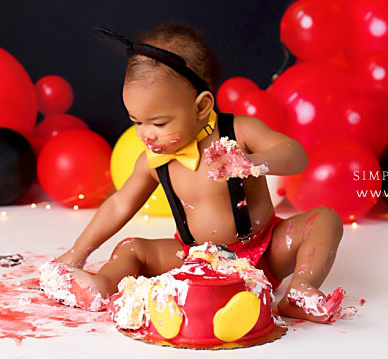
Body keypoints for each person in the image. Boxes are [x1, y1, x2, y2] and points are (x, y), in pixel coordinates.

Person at [43, 22, 350, 323]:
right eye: (137, 122)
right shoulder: (154, 160)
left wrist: (253, 161)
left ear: (202, 107)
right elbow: (119, 204)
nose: (146, 135)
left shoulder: (238, 132)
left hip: (263, 252)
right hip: (193, 259)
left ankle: (300, 292)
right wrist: (75, 253)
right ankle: (102, 286)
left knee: (325, 220)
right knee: (132, 248)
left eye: (159, 123)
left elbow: (296, 156)